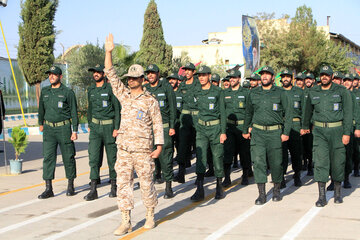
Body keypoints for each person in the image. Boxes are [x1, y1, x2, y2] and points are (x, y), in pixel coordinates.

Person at [104, 34, 163, 235]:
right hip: (124, 149)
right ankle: (126, 220)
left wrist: (159, 146)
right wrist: (108, 52)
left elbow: (157, 123)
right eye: (129, 78)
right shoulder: (123, 95)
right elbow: (110, 74)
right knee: (123, 185)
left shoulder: (150, 101)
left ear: (142, 80)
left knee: (146, 184)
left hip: (143, 150)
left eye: (134, 78)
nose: (130, 81)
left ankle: (149, 215)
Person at [302, 65, 352, 207]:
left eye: (327, 75)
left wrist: (346, 133)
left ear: (331, 77)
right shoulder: (313, 92)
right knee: (320, 162)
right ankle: (322, 196)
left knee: (337, 163)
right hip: (319, 132)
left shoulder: (342, 91)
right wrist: (305, 126)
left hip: (337, 131)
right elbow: (307, 111)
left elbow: (348, 114)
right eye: (322, 75)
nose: (324, 77)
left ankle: (337, 193)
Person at [243, 66, 292, 205]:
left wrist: (286, 133)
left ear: (272, 77)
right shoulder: (253, 93)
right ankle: (262, 194)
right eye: (262, 74)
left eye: (267, 74)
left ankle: (276, 191)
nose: (264, 76)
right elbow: (248, 113)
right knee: (258, 162)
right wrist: (245, 129)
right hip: (257, 133)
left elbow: (288, 114)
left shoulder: (281, 92)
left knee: (276, 163)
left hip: (275, 133)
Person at [38, 66, 78, 199]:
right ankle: (48, 188)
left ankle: (70, 185)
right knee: (48, 158)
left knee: (68, 157)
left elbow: (73, 112)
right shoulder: (45, 91)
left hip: (64, 128)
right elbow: (41, 109)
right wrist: (40, 123)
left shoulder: (67, 92)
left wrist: (75, 130)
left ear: (60, 77)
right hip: (49, 129)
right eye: (49, 74)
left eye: (54, 74)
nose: (51, 77)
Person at [84, 64, 120, 201]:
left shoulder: (111, 89)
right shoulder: (91, 90)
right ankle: (93, 189)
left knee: (112, 158)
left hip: (109, 127)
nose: (96, 74)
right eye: (94, 72)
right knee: (93, 158)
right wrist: (90, 123)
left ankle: (114, 186)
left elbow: (117, 109)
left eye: (98, 72)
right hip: (95, 128)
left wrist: (117, 127)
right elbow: (90, 108)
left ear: (103, 74)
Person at [190, 65, 227, 201]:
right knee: (200, 158)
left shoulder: (218, 91)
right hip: (201, 129)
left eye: (204, 75)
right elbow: (192, 109)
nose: (201, 78)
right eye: (199, 76)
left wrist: (223, 132)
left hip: (215, 128)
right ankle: (200, 189)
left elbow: (223, 113)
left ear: (209, 76)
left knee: (217, 158)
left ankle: (219, 187)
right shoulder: (196, 91)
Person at [144, 64, 176, 198]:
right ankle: (151, 183)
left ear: (158, 74)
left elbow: (173, 108)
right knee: (149, 156)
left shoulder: (166, 87)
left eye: (153, 73)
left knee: (165, 156)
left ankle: (168, 186)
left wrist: (172, 126)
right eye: (148, 73)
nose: (150, 75)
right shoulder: (144, 90)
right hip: (149, 127)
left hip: (164, 126)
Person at [223, 69, 251, 186]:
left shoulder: (246, 93)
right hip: (229, 127)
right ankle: (227, 177)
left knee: (244, 153)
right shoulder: (225, 93)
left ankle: (245, 175)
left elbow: (250, 111)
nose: (232, 80)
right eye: (230, 78)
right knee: (227, 152)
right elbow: (222, 111)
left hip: (242, 127)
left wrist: (249, 127)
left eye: (234, 78)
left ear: (239, 79)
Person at [174, 62, 200, 183]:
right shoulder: (182, 85)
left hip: (197, 117)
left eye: (189, 70)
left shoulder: (198, 84)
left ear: (194, 72)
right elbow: (178, 100)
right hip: (185, 118)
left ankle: (200, 174)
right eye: (186, 70)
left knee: (199, 145)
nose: (187, 72)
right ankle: (181, 172)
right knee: (182, 145)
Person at [280, 69, 304, 187]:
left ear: (292, 78)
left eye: (288, 77)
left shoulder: (299, 92)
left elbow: (304, 110)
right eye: (283, 76)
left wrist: (303, 126)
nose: (285, 79)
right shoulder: (277, 92)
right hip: (281, 125)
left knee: (296, 152)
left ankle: (297, 175)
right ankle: (282, 177)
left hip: (295, 125)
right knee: (281, 153)